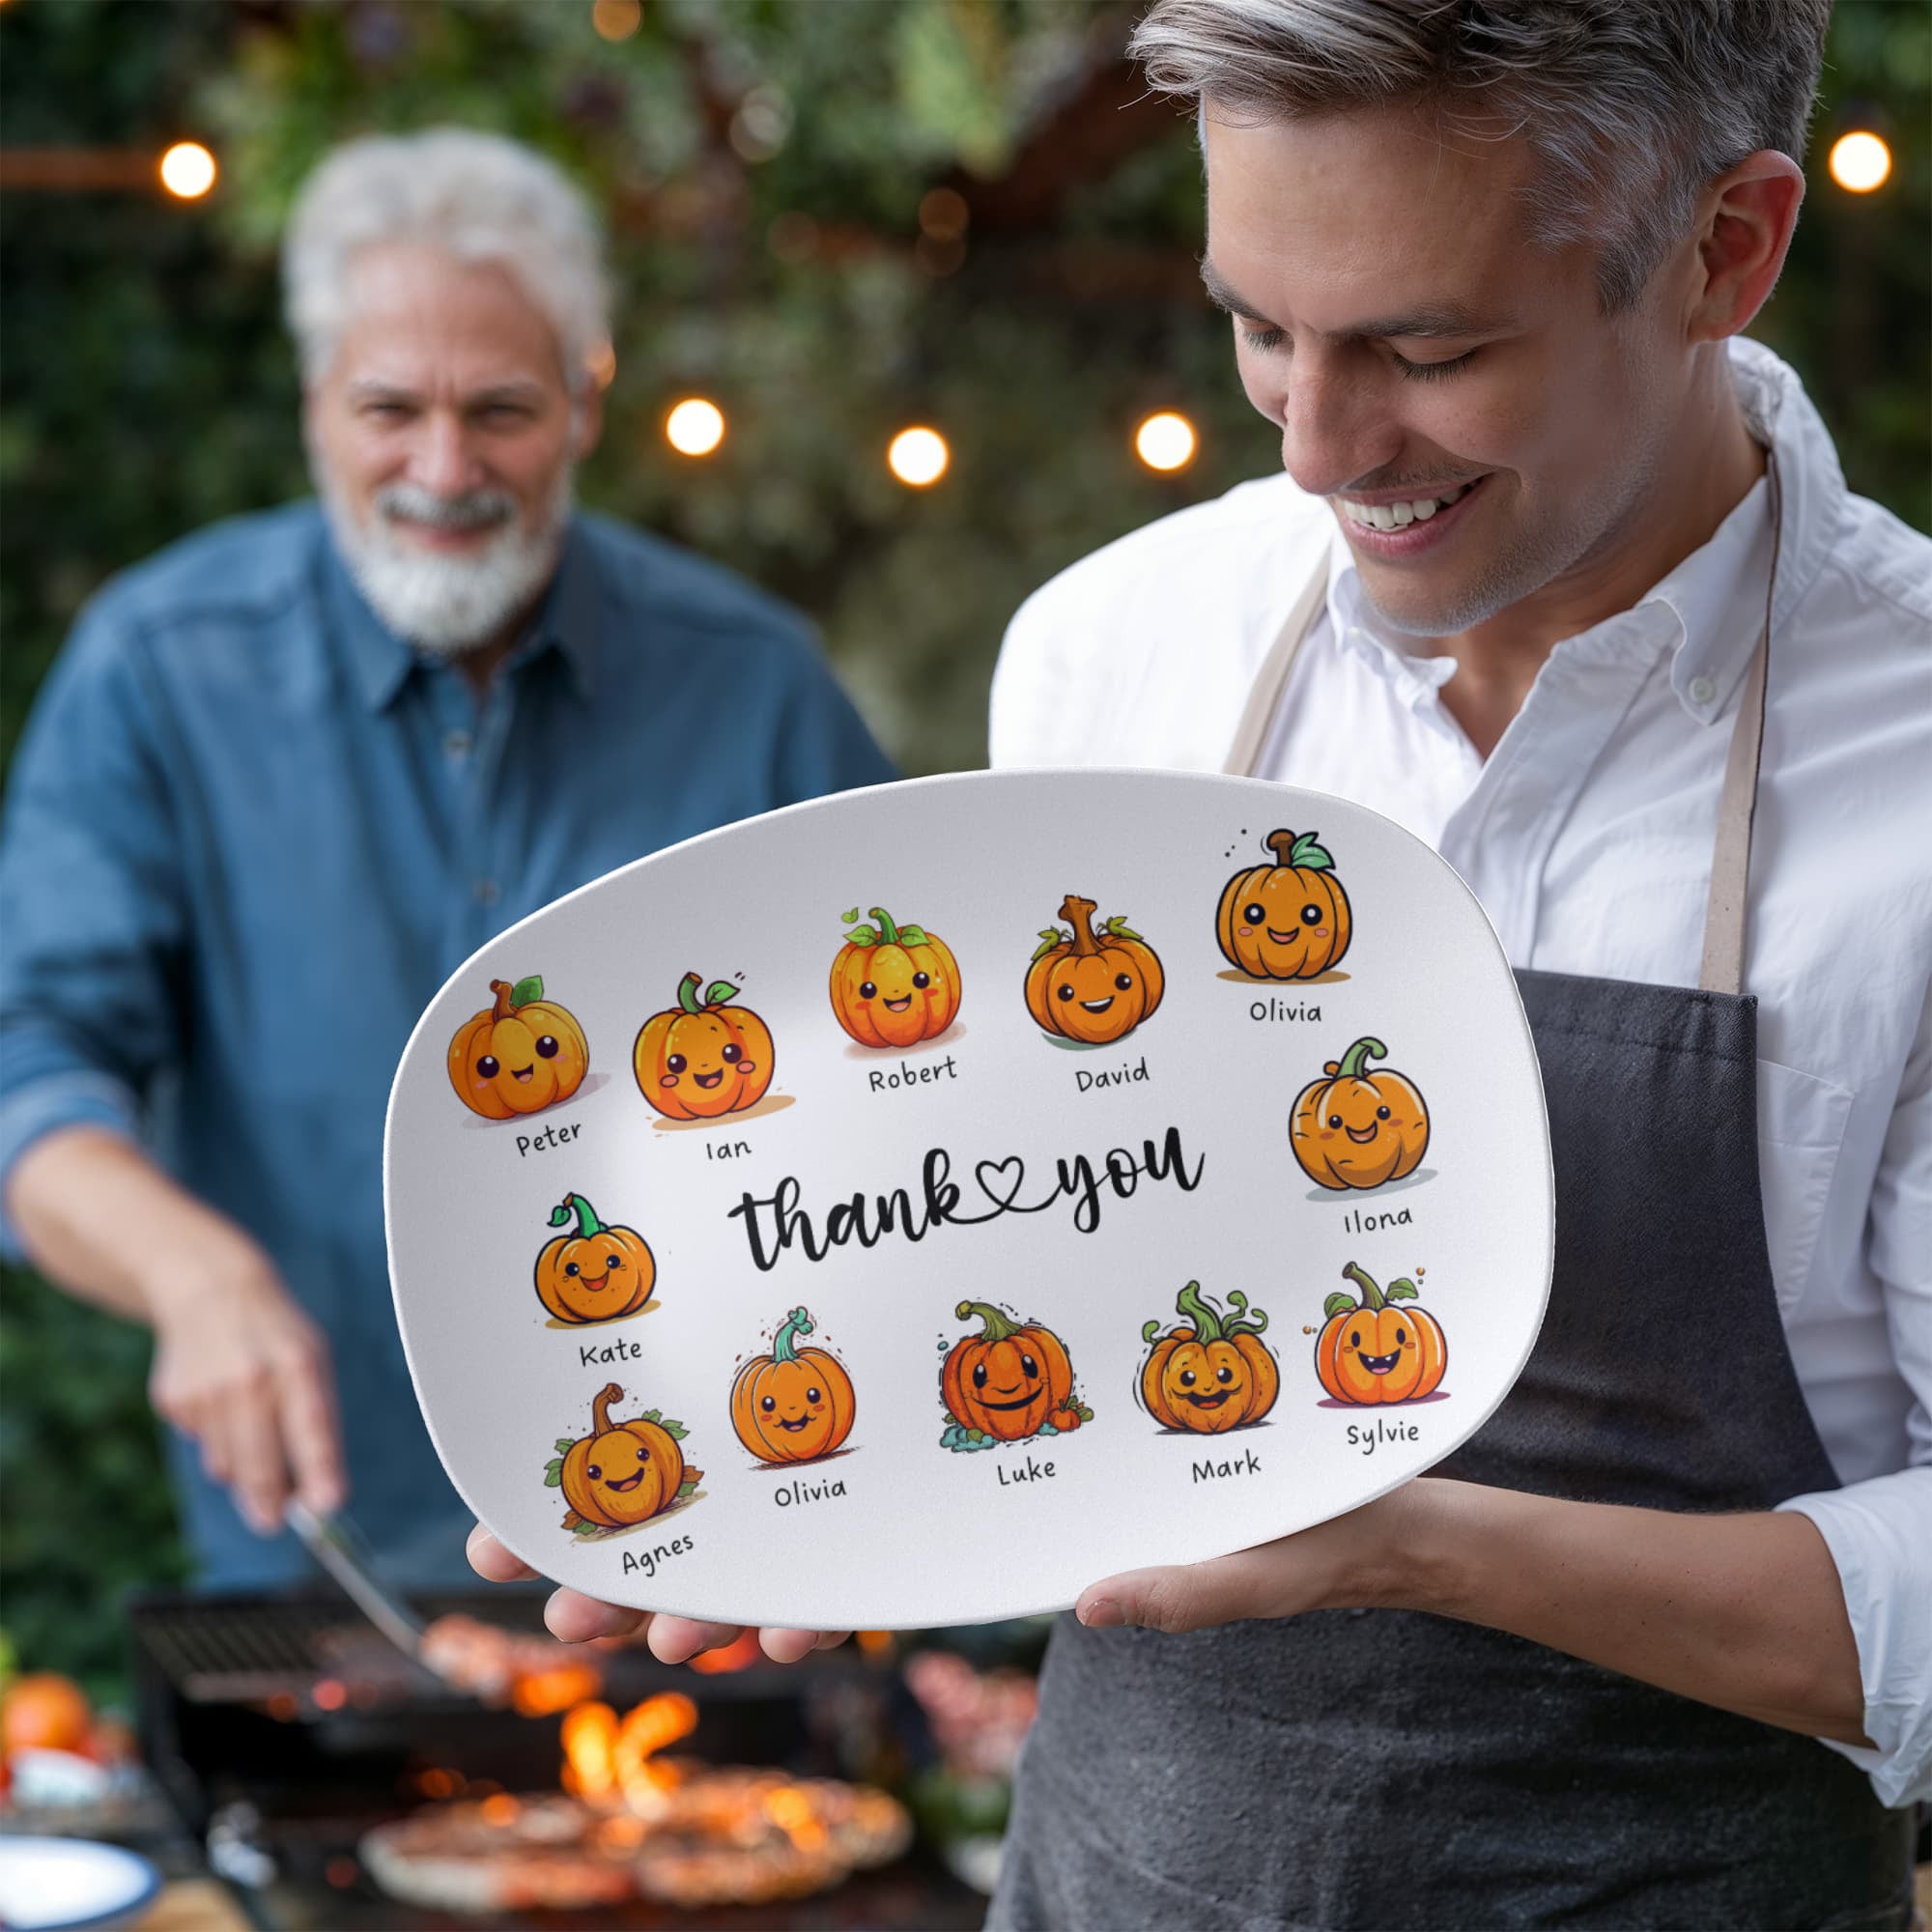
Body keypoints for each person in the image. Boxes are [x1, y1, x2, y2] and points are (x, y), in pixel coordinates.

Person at [469, 4, 1930, 1926]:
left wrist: (1412, 1545)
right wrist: (824, 1473)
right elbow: (1027, 1257)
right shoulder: (1121, 650)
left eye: (1428, 350)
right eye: (1257, 327)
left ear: (1726, 250)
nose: (1319, 449)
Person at [0, 128, 895, 1592]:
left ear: (586, 401)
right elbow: (30, 1074)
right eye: (389, 408)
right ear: (315, 405)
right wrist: (190, 1271)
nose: (443, 467)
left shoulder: (758, 688)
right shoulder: (158, 670)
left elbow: (909, 1066)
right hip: (318, 1564)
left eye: (500, 410)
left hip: (717, 1538)